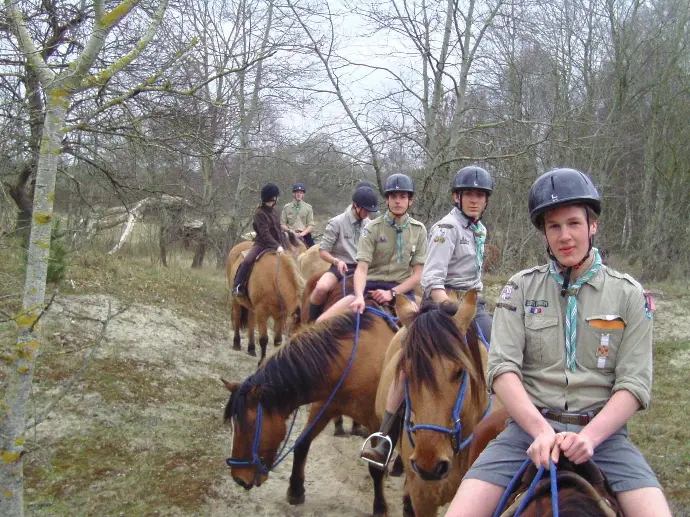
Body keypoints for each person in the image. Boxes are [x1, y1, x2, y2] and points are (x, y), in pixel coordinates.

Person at [444, 168, 672, 517]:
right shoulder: (518, 289)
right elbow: (502, 368)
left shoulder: (630, 295)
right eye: (554, 227)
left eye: (573, 223)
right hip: (525, 434)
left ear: (592, 225)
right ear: (544, 234)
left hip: (604, 438)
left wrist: (591, 437)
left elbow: (634, 383)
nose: (565, 236)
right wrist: (538, 430)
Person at [421, 165, 494, 342]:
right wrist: (452, 311)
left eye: (480, 195)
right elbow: (432, 278)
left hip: (472, 301)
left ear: (486, 200)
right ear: (456, 196)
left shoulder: (480, 230)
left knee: (497, 346)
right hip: (444, 302)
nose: (474, 200)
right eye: (468, 194)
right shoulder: (446, 228)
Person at [306, 186, 379, 322]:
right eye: (366, 210)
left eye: (370, 211)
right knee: (321, 289)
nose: (368, 214)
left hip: (363, 268)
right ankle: (311, 326)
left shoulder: (370, 225)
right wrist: (336, 261)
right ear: (355, 205)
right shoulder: (337, 222)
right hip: (340, 267)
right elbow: (323, 251)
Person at [232, 183, 285, 298]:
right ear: (273, 197)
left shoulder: (276, 210)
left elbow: (277, 228)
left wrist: (283, 240)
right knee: (247, 261)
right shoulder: (259, 213)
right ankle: (237, 285)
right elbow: (265, 234)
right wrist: (277, 246)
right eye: (277, 196)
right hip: (262, 244)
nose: (278, 198)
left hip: (277, 242)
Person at [281, 182, 315, 247]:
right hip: (289, 235)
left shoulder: (308, 208)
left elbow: (311, 225)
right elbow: (282, 224)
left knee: (315, 252)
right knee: (279, 250)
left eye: (301, 193)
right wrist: (291, 231)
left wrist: (302, 234)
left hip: (304, 235)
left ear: (303, 195)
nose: (299, 194)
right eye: (297, 192)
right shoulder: (287, 207)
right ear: (294, 194)